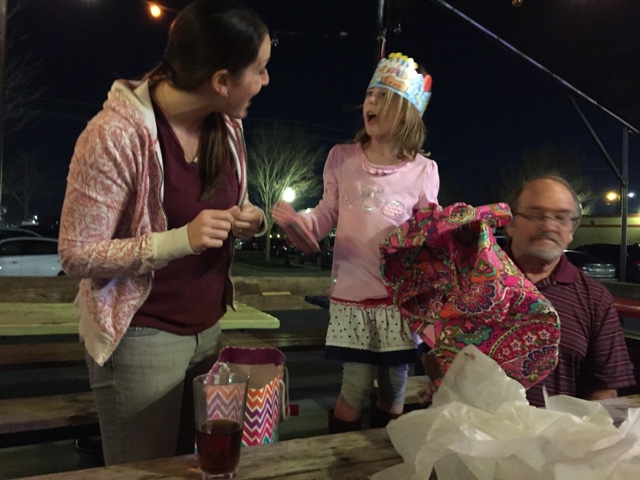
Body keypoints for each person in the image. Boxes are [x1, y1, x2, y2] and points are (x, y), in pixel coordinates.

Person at [58, 0, 270, 465]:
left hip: (209, 330)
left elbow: (218, 209)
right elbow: (75, 253)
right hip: (142, 337)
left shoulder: (228, 127)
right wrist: (179, 240)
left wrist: (250, 220)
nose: (266, 80)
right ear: (221, 80)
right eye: (259, 69)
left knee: (192, 467)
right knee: (144, 471)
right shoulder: (114, 134)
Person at [274, 52, 439, 431]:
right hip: (351, 296)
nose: (371, 102)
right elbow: (326, 213)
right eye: (369, 94)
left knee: (395, 383)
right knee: (355, 383)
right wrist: (303, 224)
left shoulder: (423, 171)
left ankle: (384, 453)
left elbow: (429, 232)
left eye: (383, 97)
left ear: (408, 113)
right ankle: (341, 455)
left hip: (399, 300)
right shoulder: (342, 158)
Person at [504, 175, 636, 406]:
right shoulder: (469, 281)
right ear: (510, 223)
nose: (549, 226)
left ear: (571, 230)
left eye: (561, 217)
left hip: (556, 429)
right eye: (536, 215)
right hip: (465, 426)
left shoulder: (594, 299)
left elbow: (603, 390)